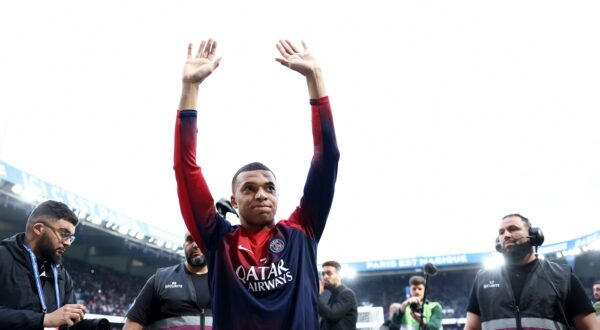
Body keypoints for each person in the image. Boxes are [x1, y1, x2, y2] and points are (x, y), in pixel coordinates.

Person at [173, 38, 339, 330]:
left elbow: (328, 158)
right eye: (249, 189)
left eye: (269, 188)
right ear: (233, 201)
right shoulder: (218, 240)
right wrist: (190, 89)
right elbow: (186, 170)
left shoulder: (302, 231)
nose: (261, 194)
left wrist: (315, 77)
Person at [465, 214, 599, 330]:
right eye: (501, 232)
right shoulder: (483, 279)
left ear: (533, 235)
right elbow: (471, 327)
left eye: (513, 229)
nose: (506, 235)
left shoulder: (563, 276)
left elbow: (591, 326)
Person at [0, 200, 108, 329]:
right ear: (38, 228)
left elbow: (65, 323)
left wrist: (92, 326)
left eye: (71, 237)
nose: (68, 242)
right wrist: (43, 319)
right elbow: (49, 320)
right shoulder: (3, 258)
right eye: (64, 234)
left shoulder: (61, 274)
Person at [123, 231, 212, 329]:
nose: (195, 245)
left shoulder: (224, 283)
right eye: (190, 240)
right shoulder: (160, 280)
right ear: (183, 245)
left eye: (200, 239)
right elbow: (132, 325)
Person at [318, 260, 358, 330]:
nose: (325, 277)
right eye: (323, 274)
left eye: (329, 273)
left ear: (339, 276)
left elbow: (332, 315)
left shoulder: (347, 294)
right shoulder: (333, 296)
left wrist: (318, 296)